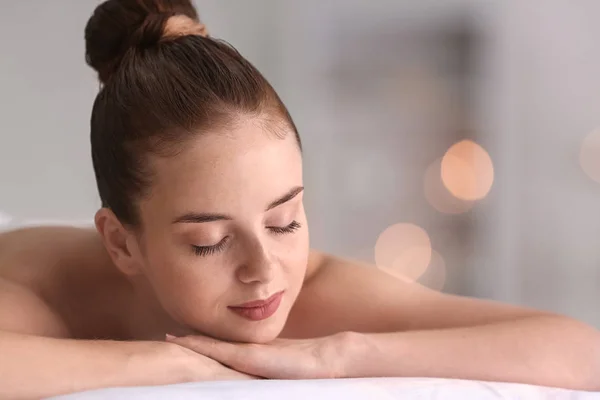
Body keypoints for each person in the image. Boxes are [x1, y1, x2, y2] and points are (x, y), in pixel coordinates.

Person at [0, 0, 599, 398]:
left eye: (284, 221)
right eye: (209, 243)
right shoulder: (44, 287)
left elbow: (581, 350)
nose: (264, 272)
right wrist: (167, 364)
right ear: (122, 243)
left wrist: (343, 355)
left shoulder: (319, 294)